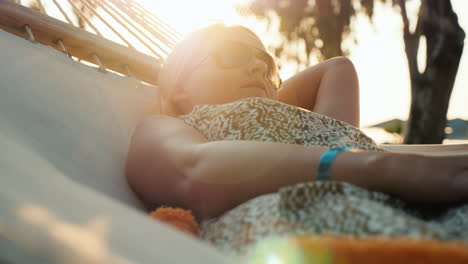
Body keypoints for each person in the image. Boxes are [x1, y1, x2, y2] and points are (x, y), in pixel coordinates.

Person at [125, 24, 468, 255]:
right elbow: (192, 170)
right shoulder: (173, 125)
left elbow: (338, 68)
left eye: (266, 64)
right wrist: (386, 168)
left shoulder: (316, 127)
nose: (258, 68)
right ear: (181, 82)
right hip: (315, 231)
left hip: (417, 204)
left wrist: (269, 100)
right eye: (234, 54)